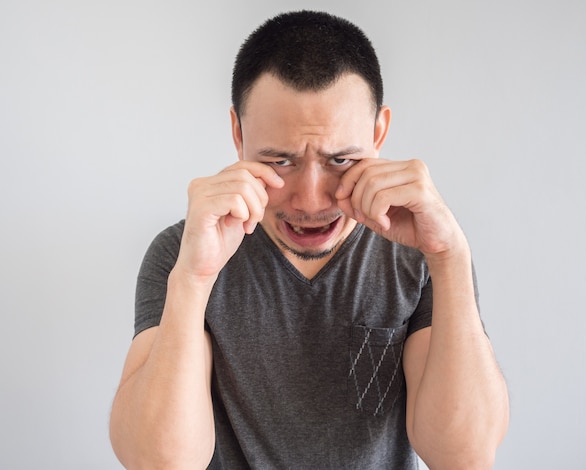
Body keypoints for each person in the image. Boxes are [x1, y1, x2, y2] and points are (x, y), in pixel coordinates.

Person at [109, 10, 509, 469]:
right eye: (281, 162)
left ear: (378, 133)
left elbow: (464, 455)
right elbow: (159, 462)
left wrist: (449, 256)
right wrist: (193, 279)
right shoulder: (182, 252)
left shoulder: (422, 254)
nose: (311, 199)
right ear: (238, 135)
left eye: (340, 160)